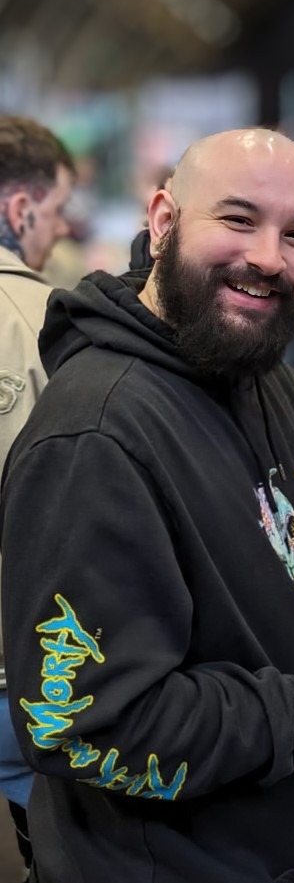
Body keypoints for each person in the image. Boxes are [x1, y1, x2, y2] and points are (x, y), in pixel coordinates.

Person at [1, 127, 294, 883]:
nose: (269, 257)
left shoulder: (260, 374)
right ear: (163, 220)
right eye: (239, 219)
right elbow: (85, 726)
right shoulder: (97, 436)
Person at [0, 114, 74, 877]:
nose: (60, 229)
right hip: (17, 670)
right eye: (56, 211)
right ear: (20, 210)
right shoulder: (45, 323)